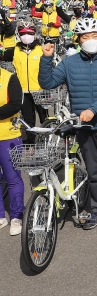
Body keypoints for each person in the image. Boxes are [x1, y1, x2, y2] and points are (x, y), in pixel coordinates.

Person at [39, 18, 97, 233]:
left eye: (95, 35)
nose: (91, 40)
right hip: (84, 127)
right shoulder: (69, 64)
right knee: (93, 171)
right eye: (86, 37)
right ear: (79, 40)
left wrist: (93, 110)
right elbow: (48, 83)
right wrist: (46, 58)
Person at [12, 21, 46, 143]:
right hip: (23, 91)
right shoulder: (15, 50)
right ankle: (31, 143)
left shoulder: (41, 49)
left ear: (34, 34)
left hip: (40, 90)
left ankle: (45, 141)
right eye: (23, 33)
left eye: (30, 33)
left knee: (44, 118)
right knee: (28, 119)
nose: (26, 36)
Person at [0, 64, 24, 236]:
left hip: (8, 136)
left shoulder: (9, 77)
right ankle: (0, 216)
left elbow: (15, 104)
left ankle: (16, 216)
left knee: (12, 178)